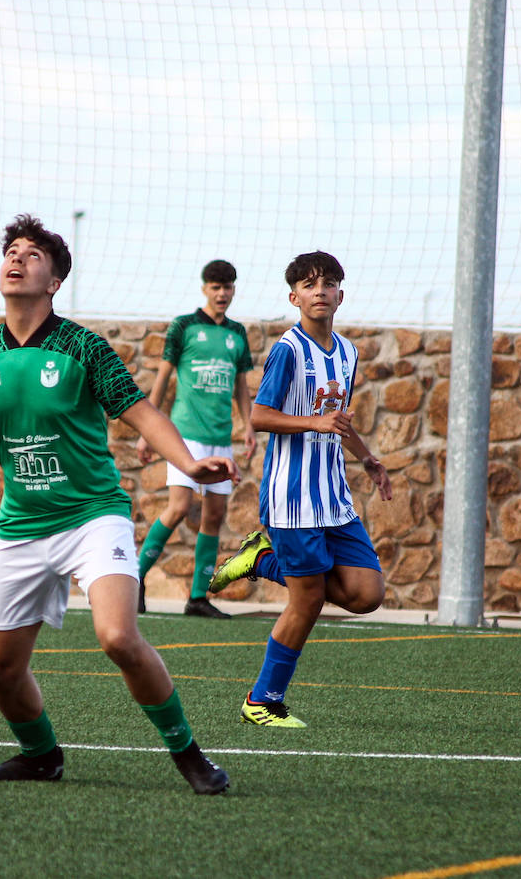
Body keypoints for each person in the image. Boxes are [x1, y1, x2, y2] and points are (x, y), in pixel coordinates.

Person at [0, 214, 233, 794]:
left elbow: (142, 412)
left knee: (118, 637)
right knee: (1, 667)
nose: (17, 259)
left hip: (92, 516)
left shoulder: (82, 346)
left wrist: (189, 463)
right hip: (22, 525)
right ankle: (41, 756)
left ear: (54, 282)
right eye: (12, 251)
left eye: (33, 254)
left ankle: (190, 755)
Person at [209, 250, 392, 728]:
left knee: (367, 593)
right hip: (293, 500)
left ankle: (262, 560)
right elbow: (259, 416)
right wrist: (314, 421)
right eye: (309, 285)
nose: (320, 291)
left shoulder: (348, 352)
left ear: (340, 295)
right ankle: (262, 701)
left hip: (334, 497)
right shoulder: (288, 350)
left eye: (328, 283)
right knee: (307, 600)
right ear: (295, 298)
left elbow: (337, 420)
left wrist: (367, 458)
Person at [135, 259, 257, 618]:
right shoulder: (184, 327)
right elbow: (162, 378)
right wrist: (147, 431)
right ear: (205, 289)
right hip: (185, 436)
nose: (222, 294)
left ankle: (198, 597)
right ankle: (134, 578)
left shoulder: (237, 333)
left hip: (221, 438)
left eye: (228, 287)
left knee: (215, 515)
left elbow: (241, 386)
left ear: (233, 290)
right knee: (178, 508)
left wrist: (248, 426)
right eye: (216, 287)